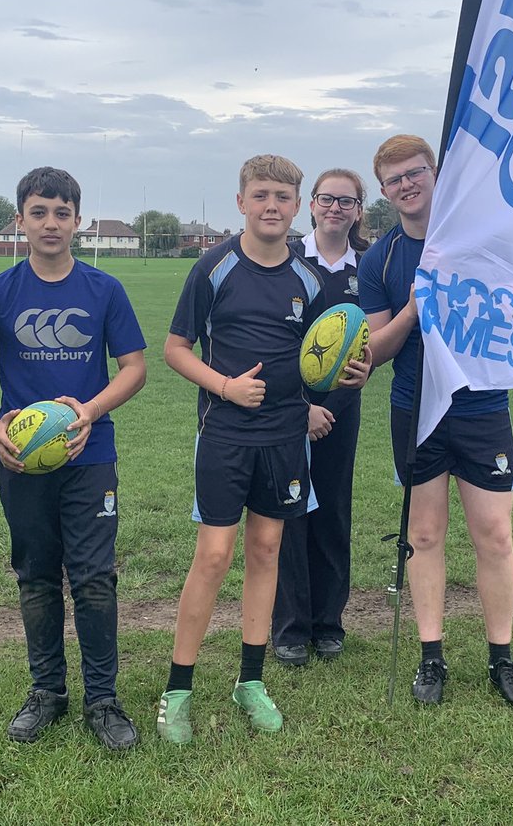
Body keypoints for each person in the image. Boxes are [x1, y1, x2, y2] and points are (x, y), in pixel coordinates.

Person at [158, 154, 365, 744]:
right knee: (215, 556)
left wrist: (350, 369)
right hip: (224, 434)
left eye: (282, 197)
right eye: (261, 195)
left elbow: (326, 354)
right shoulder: (214, 268)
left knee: (268, 548)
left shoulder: (309, 280)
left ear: (296, 207)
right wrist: (224, 386)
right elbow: (175, 349)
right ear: (242, 201)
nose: (272, 206)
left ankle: (250, 681)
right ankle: (178, 691)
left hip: (283, 438)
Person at [0, 167, 147, 751]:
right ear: (20, 220)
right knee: (36, 578)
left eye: (62, 213)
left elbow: (134, 367)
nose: (51, 223)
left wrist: (88, 411)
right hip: (22, 461)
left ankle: (104, 700)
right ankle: (47, 693)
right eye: (39, 212)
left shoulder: (103, 289)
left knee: (93, 580)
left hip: (91, 457)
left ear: (78, 221)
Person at [357, 134, 513, 708]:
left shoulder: (479, 238)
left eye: (416, 173)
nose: (407, 185)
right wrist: (413, 308)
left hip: (481, 406)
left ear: (436, 174)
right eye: (394, 179)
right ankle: (431, 656)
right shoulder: (379, 259)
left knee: (494, 534)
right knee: (424, 535)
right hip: (414, 408)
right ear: (382, 190)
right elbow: (375, 350)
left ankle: (501, 657)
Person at [271, 168, 371, 666]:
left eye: (346, 201)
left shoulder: (367, 267)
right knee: (290, 513)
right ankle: (290, 628)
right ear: (311, 204)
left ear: (358, 210)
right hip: (288, 409)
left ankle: (329, 623)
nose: (335, 208)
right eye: (327, 199)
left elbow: (369, 343)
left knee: (331, 510)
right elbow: (276, 342)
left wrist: (336, 402)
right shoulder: (287, 259)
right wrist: (301, 407)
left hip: (342, 410)